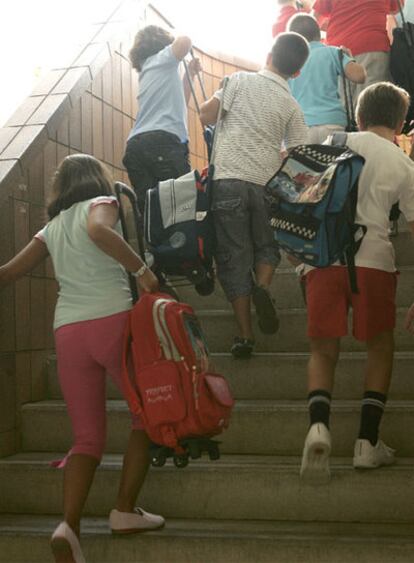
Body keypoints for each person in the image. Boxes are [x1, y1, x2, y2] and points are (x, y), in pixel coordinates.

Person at [0, 154, 164, 563]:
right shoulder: (101, 205)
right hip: (112, 322)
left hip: (68, 333)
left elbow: (7, 274)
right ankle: (125, 510)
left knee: (87, 438)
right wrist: (143, 272)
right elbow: (96, 231)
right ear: (98, 181)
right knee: (146, 416)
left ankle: (68, 527)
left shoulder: (51, 228)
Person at [299, 82, 414, 484]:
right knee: (380, 346)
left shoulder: (333, 141)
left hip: (324, 260)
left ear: (359, 118)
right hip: (374, 262)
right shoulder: (402, 164)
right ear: (400, 123)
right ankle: (366, 442)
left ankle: (318, 426)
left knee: (322, 348)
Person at [200, 32, 309, 359]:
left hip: (229, 181)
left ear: (269, 53)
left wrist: (221, 90)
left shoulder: (238, 81)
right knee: (266, 245)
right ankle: (262, 288)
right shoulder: (291, 104)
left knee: (233, 257)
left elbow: (207, 115)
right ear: (297, 73)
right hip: (265, 182)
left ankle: (245, 336)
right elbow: (300, 153)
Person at [123, 25, 201, 212]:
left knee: (153, 213)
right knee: (181, 210)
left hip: (137, 147)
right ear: (162, 43)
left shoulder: (149, 70)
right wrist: (179, 41)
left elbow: (180, 101)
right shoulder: (162, 59)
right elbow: (184, 41)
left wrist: (189, 73)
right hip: (163, 144)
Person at [288, 14, 366, 143]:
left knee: (303, 163)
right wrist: (350, 58)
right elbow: (360, 76)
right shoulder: (332, 52)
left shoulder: (290, 62)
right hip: (333, 124)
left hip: (301, 126)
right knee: (335, 163)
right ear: (318, 34)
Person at [312, 0, 401, 105]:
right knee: (373, 104)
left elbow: (315, 17)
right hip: (373, 46)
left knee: (343, 106)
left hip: (339, 51)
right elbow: (396, 7)